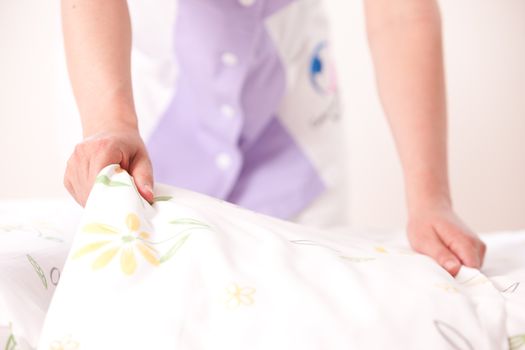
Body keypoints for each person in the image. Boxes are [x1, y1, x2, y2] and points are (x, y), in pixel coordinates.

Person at [61, 0, 486, 276]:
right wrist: (111, 121)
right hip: (155, 125)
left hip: (297, 132)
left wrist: (431, 197)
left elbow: (401, 14)